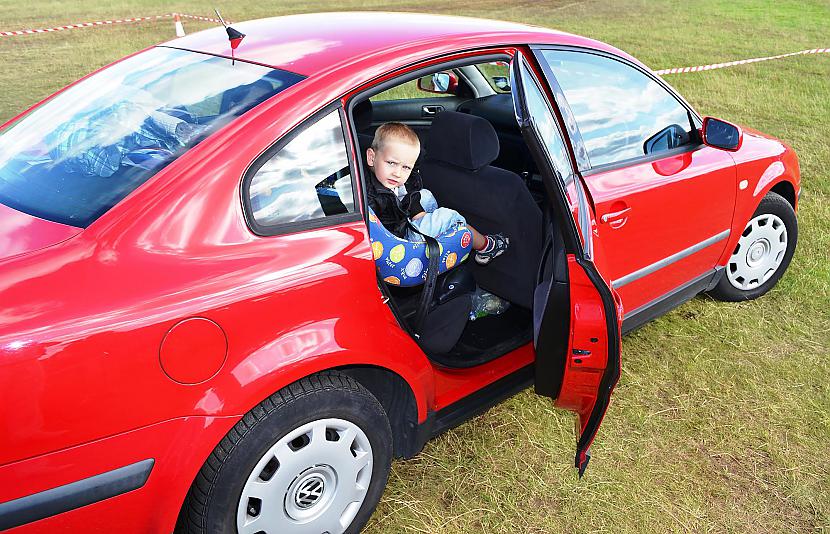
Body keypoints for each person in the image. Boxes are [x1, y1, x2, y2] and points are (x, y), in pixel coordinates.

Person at [365, 122, 508, 265]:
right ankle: (486, 247)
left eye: (406, 167)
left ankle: (436, 230)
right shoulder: (370, 196)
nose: (397, 173)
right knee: (449, 216)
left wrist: (423, 218)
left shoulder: (392, 181)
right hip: (399, 244)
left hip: (404, 223)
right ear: (371, 158)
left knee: (425, 195)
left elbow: (411, 201)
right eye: (391, 163)